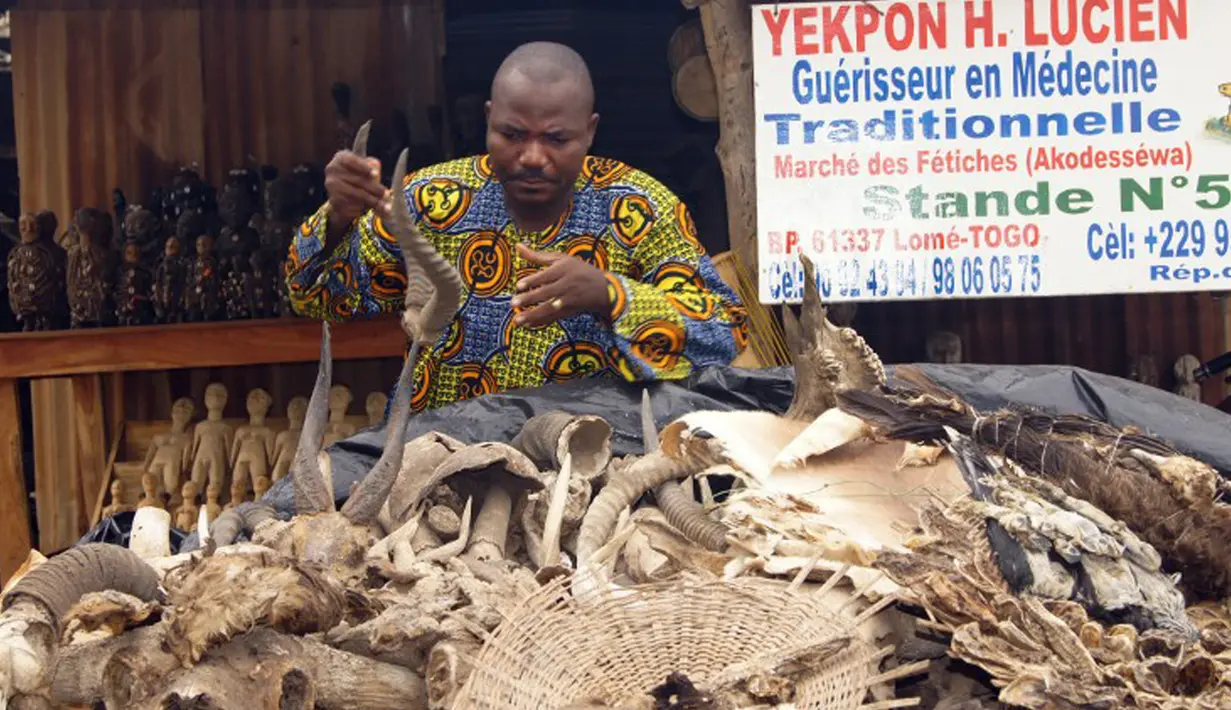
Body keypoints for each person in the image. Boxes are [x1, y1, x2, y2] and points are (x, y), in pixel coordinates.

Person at [284, 41, 748, 411]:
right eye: (512, 134)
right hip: (437, 473)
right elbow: (315, 298)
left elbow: (724, 336)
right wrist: (338, 217)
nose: (532, 157)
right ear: (488, 119)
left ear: (589, 130)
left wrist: (610, 295)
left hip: (592, 477)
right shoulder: (430, 202)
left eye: (557, 139)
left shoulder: (640, 210)